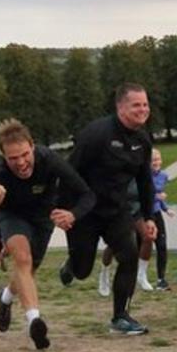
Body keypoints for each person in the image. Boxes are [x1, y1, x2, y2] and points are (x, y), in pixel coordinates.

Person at [0, 119, 95, 350]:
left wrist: (72, 215)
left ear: (32, 146)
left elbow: (87, 194)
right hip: (13, 216)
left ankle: (5, 297)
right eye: (13, 159)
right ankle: (35, 322)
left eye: (25, 154)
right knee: (22, 260)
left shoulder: (50, 160)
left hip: (42, 217)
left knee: (28, 270)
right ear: (2, 155)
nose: (21, 163)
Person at [59, 83, 157, 335]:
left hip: (116, 210)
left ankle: (120, 316)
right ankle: (72, 264)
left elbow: (145, 180)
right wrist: (65, 210)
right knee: (82, 271)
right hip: (85, 211)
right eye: (136, 105)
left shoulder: (143, 139)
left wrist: (148, 216)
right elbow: (68, 172)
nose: (143, 109)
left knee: (129, 255)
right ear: (120, 107)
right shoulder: (96, 134)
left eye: (145, 104)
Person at [145, 149, 175, 291]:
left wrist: (166, 209)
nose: (156, 163)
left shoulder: (163, 176)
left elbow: (160, 196)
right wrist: (157, 197)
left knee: (161, 245)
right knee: (142, 247)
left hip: (156, 213)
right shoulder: (143, 176)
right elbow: (143, 195)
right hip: (144, 214)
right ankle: (139, 276)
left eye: (158, 159)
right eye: (153, 160)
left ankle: (161, 279)